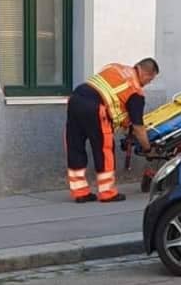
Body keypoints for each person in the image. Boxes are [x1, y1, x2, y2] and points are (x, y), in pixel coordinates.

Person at [65, 58, 159, 203]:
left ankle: (80, 192)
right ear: (146, 74)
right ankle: (107, 192)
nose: (148, 83)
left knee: (75, 145)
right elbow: (138, 127)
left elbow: (113, 96)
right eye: (150, 80)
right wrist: (147, 148)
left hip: (75, 98)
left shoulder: (115, 67)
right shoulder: (135, 91)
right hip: (95, 108)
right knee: (103, 149)